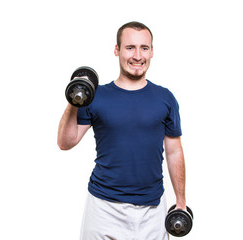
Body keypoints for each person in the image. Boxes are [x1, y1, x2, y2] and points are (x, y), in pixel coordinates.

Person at [58, 21, 187, 240]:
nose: (137, 56)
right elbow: (66, 142)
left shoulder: (165, 99)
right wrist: (74, 100)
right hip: (103, 208)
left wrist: (181, 201)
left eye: (144, 48)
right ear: (117, 50)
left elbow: (174, 151)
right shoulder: (96, 96)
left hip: (152, 210)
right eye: (130, 48)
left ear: (152, 51)